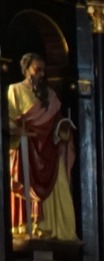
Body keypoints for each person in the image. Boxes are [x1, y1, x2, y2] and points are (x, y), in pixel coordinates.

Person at [6, 53, 76, 242]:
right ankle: (26, 226)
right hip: (26, 148)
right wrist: (17, 130)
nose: (42, 74)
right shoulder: (15, 90)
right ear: (26, 69)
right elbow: (9, 120)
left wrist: (63, 128)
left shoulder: (50, 96)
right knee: (24, 183)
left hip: (49, 149)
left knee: (60, 183)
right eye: (37, 70)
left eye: (43, 71)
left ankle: (55, 229)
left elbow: (57, 119)